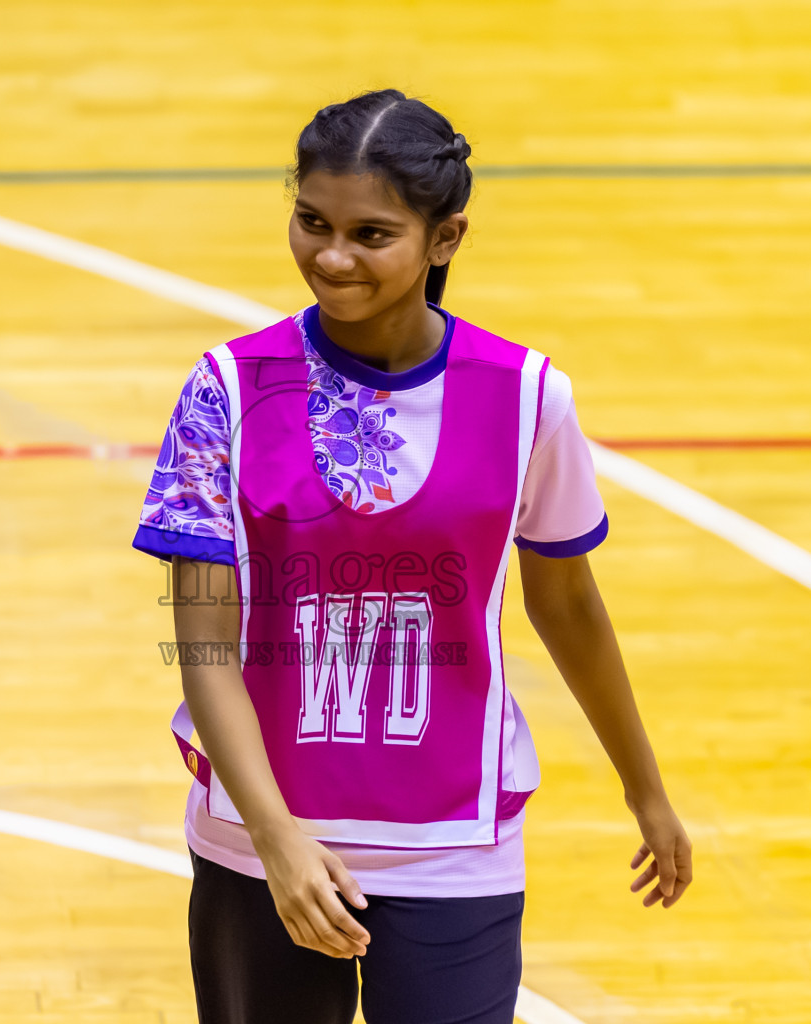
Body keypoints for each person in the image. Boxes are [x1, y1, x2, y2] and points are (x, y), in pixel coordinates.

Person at [132, 87, 692, 1024]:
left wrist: (648, 790)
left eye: (371, 234)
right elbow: (205, 644)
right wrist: (276, 843)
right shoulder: (227, 389)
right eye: (311, 223)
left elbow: (569, 606)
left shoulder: (527, 397)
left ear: (446, 238)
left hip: (454, 845)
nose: (333, 257)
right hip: (261, 840)